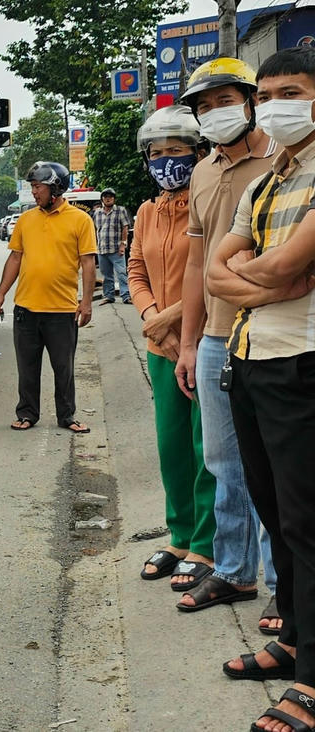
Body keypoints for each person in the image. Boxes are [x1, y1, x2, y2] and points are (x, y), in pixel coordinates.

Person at [204, 47, 315, 732]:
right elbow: (222, 268)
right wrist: (270, 280)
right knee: (277, 514)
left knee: (309, 523)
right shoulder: (268, 180)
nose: (275, 103)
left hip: (303, 361)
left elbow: (285, 262)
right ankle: (296, 637)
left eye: (291, 90)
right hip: (250, 357)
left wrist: (268, 274)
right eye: (267, 92)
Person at [172, 57, 281, 622]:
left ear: (251, 100)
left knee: (276, 464)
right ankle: (235, 573)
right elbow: (195, 265)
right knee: (223, 461)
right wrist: (189, 344)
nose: (216, 114)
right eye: (204, 106)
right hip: (216, 336)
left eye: (224, 100)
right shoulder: (204, 171)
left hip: (273, 332)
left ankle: (285, 591)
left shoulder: (284, 160)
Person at [126, 107, 220, 602]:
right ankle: (179, 535)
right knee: (172, 448)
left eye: (176, 151)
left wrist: (170, 319)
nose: (167, 162)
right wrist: (150, 316)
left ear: (197, 152)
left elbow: (212, 272)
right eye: (158, 154)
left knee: (208, 448)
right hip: (160, 346)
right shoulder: (145, 211)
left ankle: (205, 544)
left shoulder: (208, 201)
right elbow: (135, 267)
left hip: (204, 341)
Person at [0, 161, 97, 433]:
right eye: (33, 187)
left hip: (62, 311)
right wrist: (1, 293)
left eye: (38, 187)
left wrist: (86, 303)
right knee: (27, 368)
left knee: (64, 369)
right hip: (26, 309)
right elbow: (15, 258)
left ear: (56, 188)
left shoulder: (80, 220)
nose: (34, 192)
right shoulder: (25, 220)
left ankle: (67, 416)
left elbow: (87, 263)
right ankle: (27, 413)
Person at [93, 187, 131, 304]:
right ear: (102, 199)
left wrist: (123, 245)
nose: (108, 199)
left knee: (121, 273)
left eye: (110, 197)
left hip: (116, 249)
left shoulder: (120, 210)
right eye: (105, 197)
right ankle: (109, 296)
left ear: (114, 198)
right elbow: (95, 230)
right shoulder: (97, 213)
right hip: (102, 249)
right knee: (106, 275)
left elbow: (125, 228)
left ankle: (126, 296)